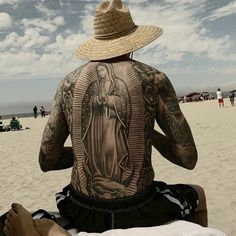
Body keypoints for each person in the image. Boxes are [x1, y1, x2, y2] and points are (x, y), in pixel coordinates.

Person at [3, 0, 207, 235]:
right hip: (140, 207)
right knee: (198, 193)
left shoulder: (69, 83)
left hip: (82, 208)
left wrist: (87, 151)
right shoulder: (155, 79)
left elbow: (46, 161)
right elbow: (187, 158)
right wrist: (147, 134)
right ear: (132, 42)